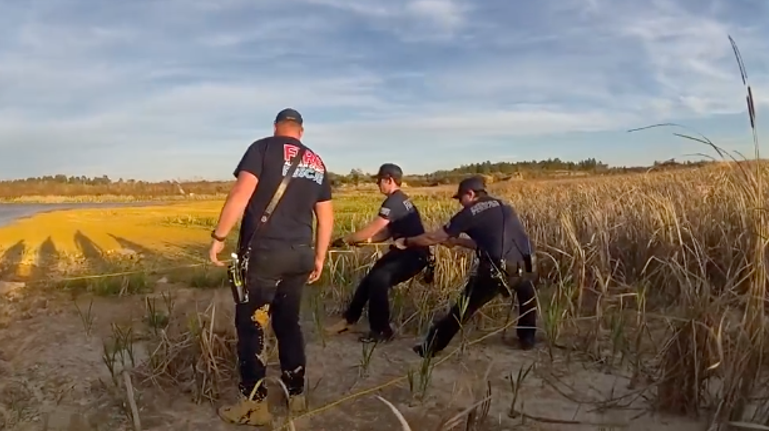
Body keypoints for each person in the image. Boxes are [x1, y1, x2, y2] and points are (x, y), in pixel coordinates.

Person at [207, 108, 334, 426]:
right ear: (301, 132)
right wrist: (319, 256)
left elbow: (240, 193)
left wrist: (219, 236)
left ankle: (253, 406)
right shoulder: (316, 162)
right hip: (301, 256)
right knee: (289, 324)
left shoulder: (262, 148)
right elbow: (326, 216)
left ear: (277, 127)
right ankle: (297, 395)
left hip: (266, 255)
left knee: (252, 326)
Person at [395, 176, 537, 357]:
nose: (460, 203)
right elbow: (489, 243)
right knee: (527, 298)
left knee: (463, 307)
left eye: (460, 198)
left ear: (470, 194)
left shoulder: (470, 213)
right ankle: (527, 338)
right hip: (528, 263)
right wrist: (458, 242)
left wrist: (407, 241)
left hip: (497, 269)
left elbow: (433, 238)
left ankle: (430, 347)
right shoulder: (504, 207)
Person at [324, 163, 434, 343]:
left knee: (379, 279)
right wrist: (366, 241)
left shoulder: (394, 201)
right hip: (404, 252)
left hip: (414, 254)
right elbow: (386, 233)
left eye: (379, 180)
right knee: (371, 279)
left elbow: (373, 228)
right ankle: (349, 320)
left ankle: (382, 331)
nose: (377, 184)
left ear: (389, 180)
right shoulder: (400, 199)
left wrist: (348, 239)